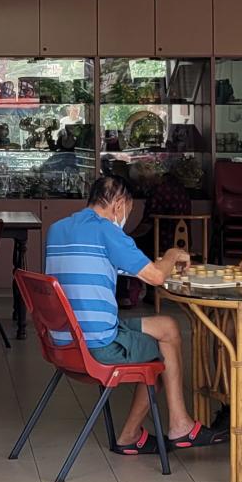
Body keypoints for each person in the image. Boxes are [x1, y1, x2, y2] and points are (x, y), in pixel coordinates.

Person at [44, 174, 225, 453]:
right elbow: (154, 277)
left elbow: (130, 266)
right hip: (97, 346)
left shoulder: (59, 229)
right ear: (119, 204)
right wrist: (173, 254)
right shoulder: (108, 231)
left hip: (63, 342)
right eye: (128, 208)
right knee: (162, 351)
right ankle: (173, 428)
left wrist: (160, 265)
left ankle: (167, 426)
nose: (127, 216)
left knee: (167, 326)